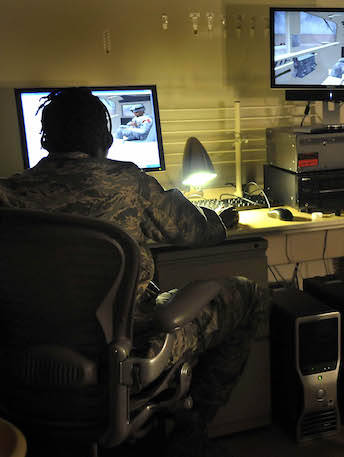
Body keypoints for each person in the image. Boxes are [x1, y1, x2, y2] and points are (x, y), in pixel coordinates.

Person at [0, 87, 269, 456]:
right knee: (247, 294)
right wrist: (220, 218)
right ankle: (189, 431)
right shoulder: (129, 184)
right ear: (106, 139)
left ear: (45, 139)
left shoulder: (7, 195)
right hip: (129, 353)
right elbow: (194, 231)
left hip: (29, 362)